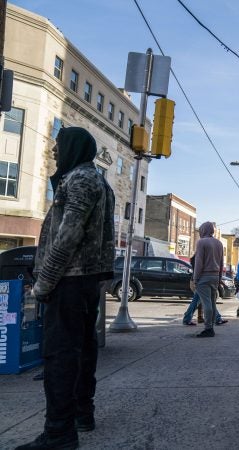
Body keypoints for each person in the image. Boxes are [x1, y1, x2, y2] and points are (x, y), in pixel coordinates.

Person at [17, 127, 115, 450]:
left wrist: (43, 282)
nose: (55, 151)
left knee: (60, 355)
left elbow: (68, 235)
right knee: (82, 349)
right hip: (84, 280)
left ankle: (59, 433)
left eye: (59, 145)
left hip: (69, 280)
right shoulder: (98, 182)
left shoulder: (80, 180)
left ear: (74, 146)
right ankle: (81, 414)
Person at [192, 222, 224, 338]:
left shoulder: (201, 242)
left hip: (204, 277)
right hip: (215, 277)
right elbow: (221, 263)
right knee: (212, 303)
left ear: (203, 230)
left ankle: (208, 328)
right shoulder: (219, 243)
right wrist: (219, 277)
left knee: (206, 304)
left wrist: (195, 278)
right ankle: (211, 327)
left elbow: (198, 262)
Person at [182, 254, 226, 326]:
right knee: (206, 301)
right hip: (199, 281)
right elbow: (199, 271)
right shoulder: (199, 258)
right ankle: (217, 318)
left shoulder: (197, 258)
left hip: (198, 281)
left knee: (198, 301)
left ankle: (187, 318)